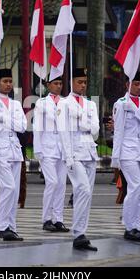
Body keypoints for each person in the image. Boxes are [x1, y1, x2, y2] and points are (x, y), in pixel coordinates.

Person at [56, 68, 100, 251]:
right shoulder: (64, 103)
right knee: (82, 188)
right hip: (74, 153)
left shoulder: (91, 104)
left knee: (87, 193)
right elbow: (63, 131)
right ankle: (77, 232)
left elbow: (96, 131)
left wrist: (82, 123)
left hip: (90, 151)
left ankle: (81, 232)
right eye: (79, 81)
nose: (83, 85)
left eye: (85, 82)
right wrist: (68, 157)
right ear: (72, 82)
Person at [111, 71, 140, 243]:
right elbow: (119, 132)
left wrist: (136, 109)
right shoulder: (120, 104)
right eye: (135, 84)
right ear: (127, 85)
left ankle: (137, 227)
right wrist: (116, 157)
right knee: (135, 186)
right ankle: (129, 226)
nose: (138, 87)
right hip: (127, 151)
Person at [0, 68, 27, 241]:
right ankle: (2, 226)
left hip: (15, 151)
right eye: (5, 81)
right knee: (7, 188)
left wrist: (3, 118)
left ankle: (11, 226)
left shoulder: (16, 104)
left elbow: (23, 127)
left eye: (10, 81)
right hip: (0, 151)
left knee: (14, 191)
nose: (8, 84)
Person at [33, 75, 70, 233]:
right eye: (55, 83)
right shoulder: (42, 103)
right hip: (47, 148)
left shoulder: (65, 102)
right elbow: (37, 127)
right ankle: (46, 218)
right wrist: (38, 149)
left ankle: (58, 219)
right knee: (52, 182)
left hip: (62, 149)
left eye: (61, 83)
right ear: (48, 85)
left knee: (61, 184)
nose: (59, 86)